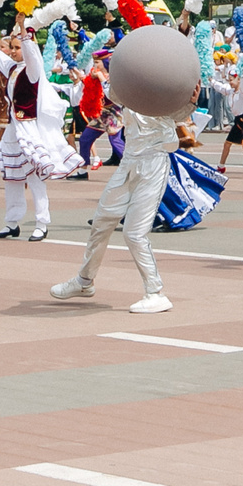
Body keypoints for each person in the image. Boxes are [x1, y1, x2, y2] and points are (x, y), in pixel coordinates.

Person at [49, 59, 181, 315]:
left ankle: (155, 292)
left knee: (134, 232)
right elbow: (112, 91)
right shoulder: (127, 90)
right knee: (102, 221)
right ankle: (85, 281)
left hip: (153, 164)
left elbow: (182, 112)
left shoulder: (167, 95)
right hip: (129, 163)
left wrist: (190, 98)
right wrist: (102, 75)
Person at [0, 24, 78, 241]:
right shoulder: (12, 69)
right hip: (13, 128)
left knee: (35, 176)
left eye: (16, 47)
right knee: (11, 175)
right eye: (11, 47)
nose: (12, 51)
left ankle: (42, 222)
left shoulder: (33, 70)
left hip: (29, 128)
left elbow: (32, 56)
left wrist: (23, 31)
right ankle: (12, 222)